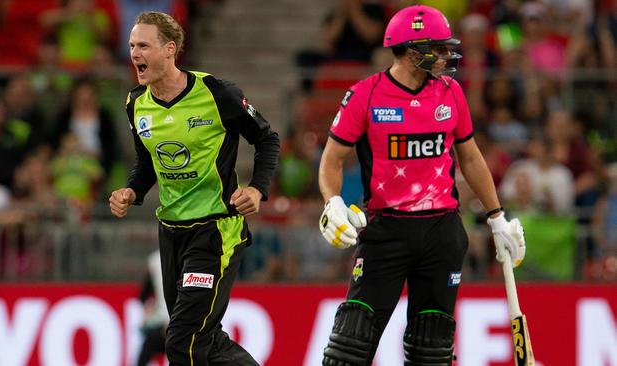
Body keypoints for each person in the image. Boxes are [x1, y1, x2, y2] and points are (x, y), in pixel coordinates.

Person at [317, 6, 526, 365]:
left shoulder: (451, 92)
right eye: (440, 48)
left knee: (431, 349)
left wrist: (496, 217)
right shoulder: (366, 95)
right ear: (414, 51)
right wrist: (332, 201)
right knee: (349, 347)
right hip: (385, 231)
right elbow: (332, 159)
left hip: (441, 232)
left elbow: (472, 158)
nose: (447, 55)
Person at [108, 12, 279, 366]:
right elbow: (146, 163)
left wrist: (257, 190)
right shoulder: (135, 104)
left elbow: (267, 138)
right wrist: (131, 191)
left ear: (170, 50)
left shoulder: (217, 94)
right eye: (131, 46)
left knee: (182, 340)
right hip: (171, 232)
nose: (134, 53)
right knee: (202, 339)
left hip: (215, 230)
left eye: (143, 45)